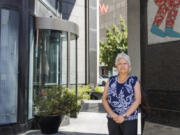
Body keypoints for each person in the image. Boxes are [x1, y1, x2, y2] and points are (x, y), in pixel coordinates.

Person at [102, 52, 142, 135]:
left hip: (130, 119)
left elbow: (138, 100)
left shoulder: (134, 80)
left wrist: (124, 116)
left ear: (129, 66)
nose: (122, 66)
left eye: (125, 63)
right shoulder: (110, 80)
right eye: (120, 64)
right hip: (113, 119)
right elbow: (104, 99)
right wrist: (113, 115)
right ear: (116, 66)